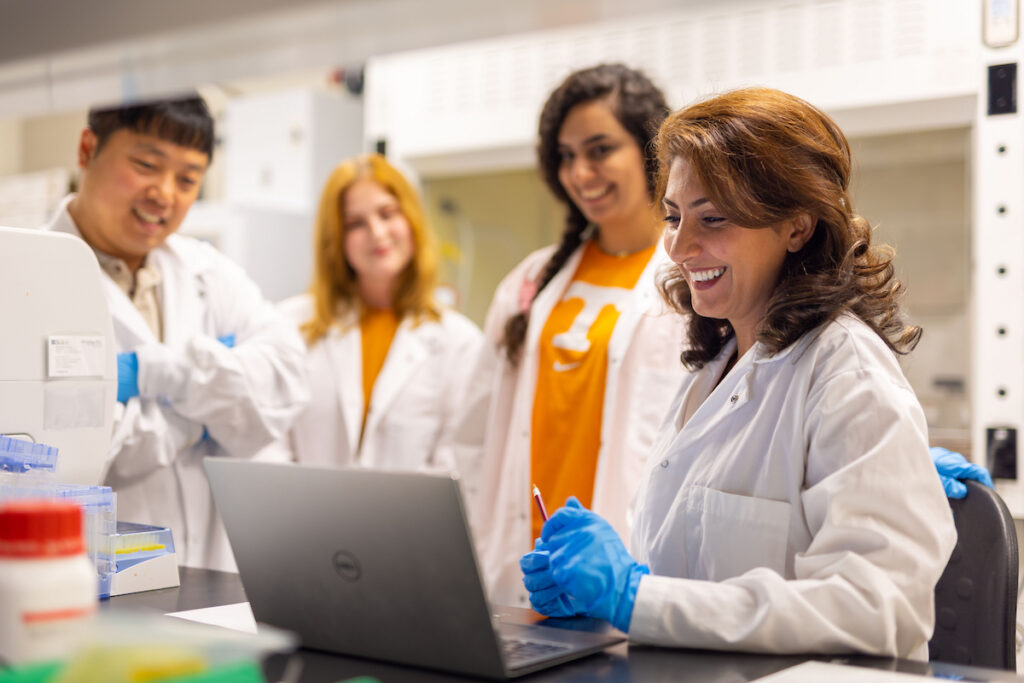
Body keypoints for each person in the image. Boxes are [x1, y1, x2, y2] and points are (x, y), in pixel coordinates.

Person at [521, 87, 957, 659]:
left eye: (714, 218)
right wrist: (600, 597)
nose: (679, 246)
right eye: (673, 216)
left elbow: (879, 609)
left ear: (796, 227)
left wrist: (636, 597)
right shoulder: (716, 364)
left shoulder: (845, 371)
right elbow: (692, 569)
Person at [446, 64, 688, 607]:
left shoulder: (695, 284)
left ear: (652, 151)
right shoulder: (530, 284)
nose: (580, 172)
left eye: (600, 149)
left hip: (629, 575)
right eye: (566, 155)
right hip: (519, 570)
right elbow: (474, 439)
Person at [45, 95, 309, 572]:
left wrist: (159, 378)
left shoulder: (209, 273)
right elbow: (53, 456)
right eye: (147, 165)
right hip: (82, 585)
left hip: (211, 581)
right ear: (87, 149)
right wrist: (206, 415)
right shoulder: (23, 278)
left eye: (188, 180)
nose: (165, 193)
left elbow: (285, 384)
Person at [270, 154, 482, 470]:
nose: (377, 233)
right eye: (355, 223)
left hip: (409, 520)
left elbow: (455, 468)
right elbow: (268, 445)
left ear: (412, 220)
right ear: (336, 240)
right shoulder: (290, 325)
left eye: (387, 214)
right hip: (301, 517)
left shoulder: (459, 343)